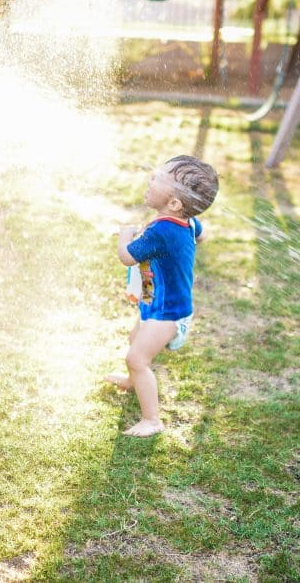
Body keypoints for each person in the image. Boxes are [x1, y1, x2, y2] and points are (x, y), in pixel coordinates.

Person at [105, 155, 219, 437]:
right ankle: (134, 382)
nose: (151, 177)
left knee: (137, 359)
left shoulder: (161, 230)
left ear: (174, 204)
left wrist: (124, 236)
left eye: (159, 178)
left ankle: (152, 420)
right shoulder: (187, 222)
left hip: (167, 313)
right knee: (135, 342)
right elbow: (201, 234)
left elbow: (127, 257)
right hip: (158, 304)